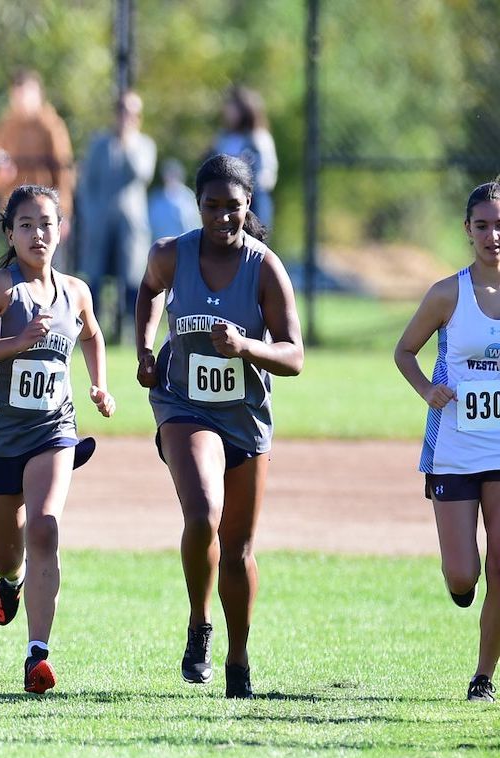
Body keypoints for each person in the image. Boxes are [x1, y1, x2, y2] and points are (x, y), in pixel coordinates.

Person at [134, 154, 304, 699]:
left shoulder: (265, 267)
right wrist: (142, 348)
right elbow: (147, 290)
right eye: (212, 206)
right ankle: (198, 625)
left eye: (233, 208)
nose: (222, 218)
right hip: (184, 405)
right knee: (203, 511)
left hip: (245, 419)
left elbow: (294, 354)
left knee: (239, 549)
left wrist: (247, 347)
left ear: (248, 206)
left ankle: (238, 659)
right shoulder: (171, 253)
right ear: (198, 205)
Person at [0, 185, 115, 693]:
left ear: (61, 230)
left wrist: (99, 383)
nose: (37, 233)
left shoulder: (76, 291)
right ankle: (12, 581)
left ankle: (36, 654)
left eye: (46, 223)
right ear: (10, 233)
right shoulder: (0, 288)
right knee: (8, 552)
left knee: (44, 527)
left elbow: (91, 333)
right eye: (26, 225)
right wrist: (17, 342)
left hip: (54, 429)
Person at [395, 179, 500, 703]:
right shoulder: (447, 293)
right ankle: (461, 584)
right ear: (467, 230)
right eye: (483, 225)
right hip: (455, 449)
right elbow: (405, 351)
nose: (493, 234)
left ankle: (483, 676)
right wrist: (427, 390)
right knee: (465, 574)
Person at [77, 91, 157, 340]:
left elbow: (142, 174)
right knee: (95, 276)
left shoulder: (144, 145)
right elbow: (87, 181)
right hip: (100, 222)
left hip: (130, 223)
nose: (125, 117)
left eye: (131, 113)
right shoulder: (99, 144)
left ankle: (129, 332)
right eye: (122, 111)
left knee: (131, 277)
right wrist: (89, 214)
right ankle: (92, 330)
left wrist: (127, 144)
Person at [0, 70, 75, 230]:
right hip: (13, 209)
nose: (21, 101)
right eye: (16, 96)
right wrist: (0, 170)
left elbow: (63, 170)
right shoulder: (6, 125)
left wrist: (64, 211)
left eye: (25, 95)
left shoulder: (51, 125)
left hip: (44, 209)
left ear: (37, 94)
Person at [211, 86, 278, 232]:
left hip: (253, 200)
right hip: (225, 199)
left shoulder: (258, 137)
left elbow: (268, 173)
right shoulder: (223, 138)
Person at [149, 158, 202, 242]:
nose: (169, 177)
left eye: (172, 174)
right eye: (167, 174)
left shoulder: (187, 196)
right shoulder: (157, 197)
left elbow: (191, 224)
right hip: (160, 246)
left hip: (182, 245)